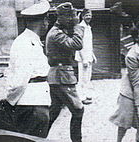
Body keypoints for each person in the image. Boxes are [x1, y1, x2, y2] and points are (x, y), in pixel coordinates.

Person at [0, 0, 51, 138]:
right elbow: (20, 80)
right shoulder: (24, 43)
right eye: (46, 19)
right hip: (31, 107)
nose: (47, 23)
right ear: (43, 21)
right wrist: (10, 101)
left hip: (36, 104)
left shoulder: (31, 41)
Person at [45, 2, 85, 142]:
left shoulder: (59, 31)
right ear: (60, 17)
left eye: (72, 17)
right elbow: (77, 44)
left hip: (60, 76)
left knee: (54, 111)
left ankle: (35, 136)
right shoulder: (56, 34)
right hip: (61, 76)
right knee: (78, 110)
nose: (71, 19)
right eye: (69, 17)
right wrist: (78, 25)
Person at [110, 22, 139, 142]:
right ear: (136, 38)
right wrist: (138, 105)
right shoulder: (131, 55)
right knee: (125, 120)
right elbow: (136, 83)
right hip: (130, 91)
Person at [75, 8, 97, 105]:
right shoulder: (80, 27)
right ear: (82, 16)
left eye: (90, 15)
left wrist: (93, 56)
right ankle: (81, 97)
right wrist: (84, 59)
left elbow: (89, 44)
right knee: (82, 78)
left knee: (88, 78)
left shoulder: (88, 27)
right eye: (87, 15)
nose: (89, 17)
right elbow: (79, 45)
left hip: (89, 57)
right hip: (83, 58)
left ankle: (87, 95)